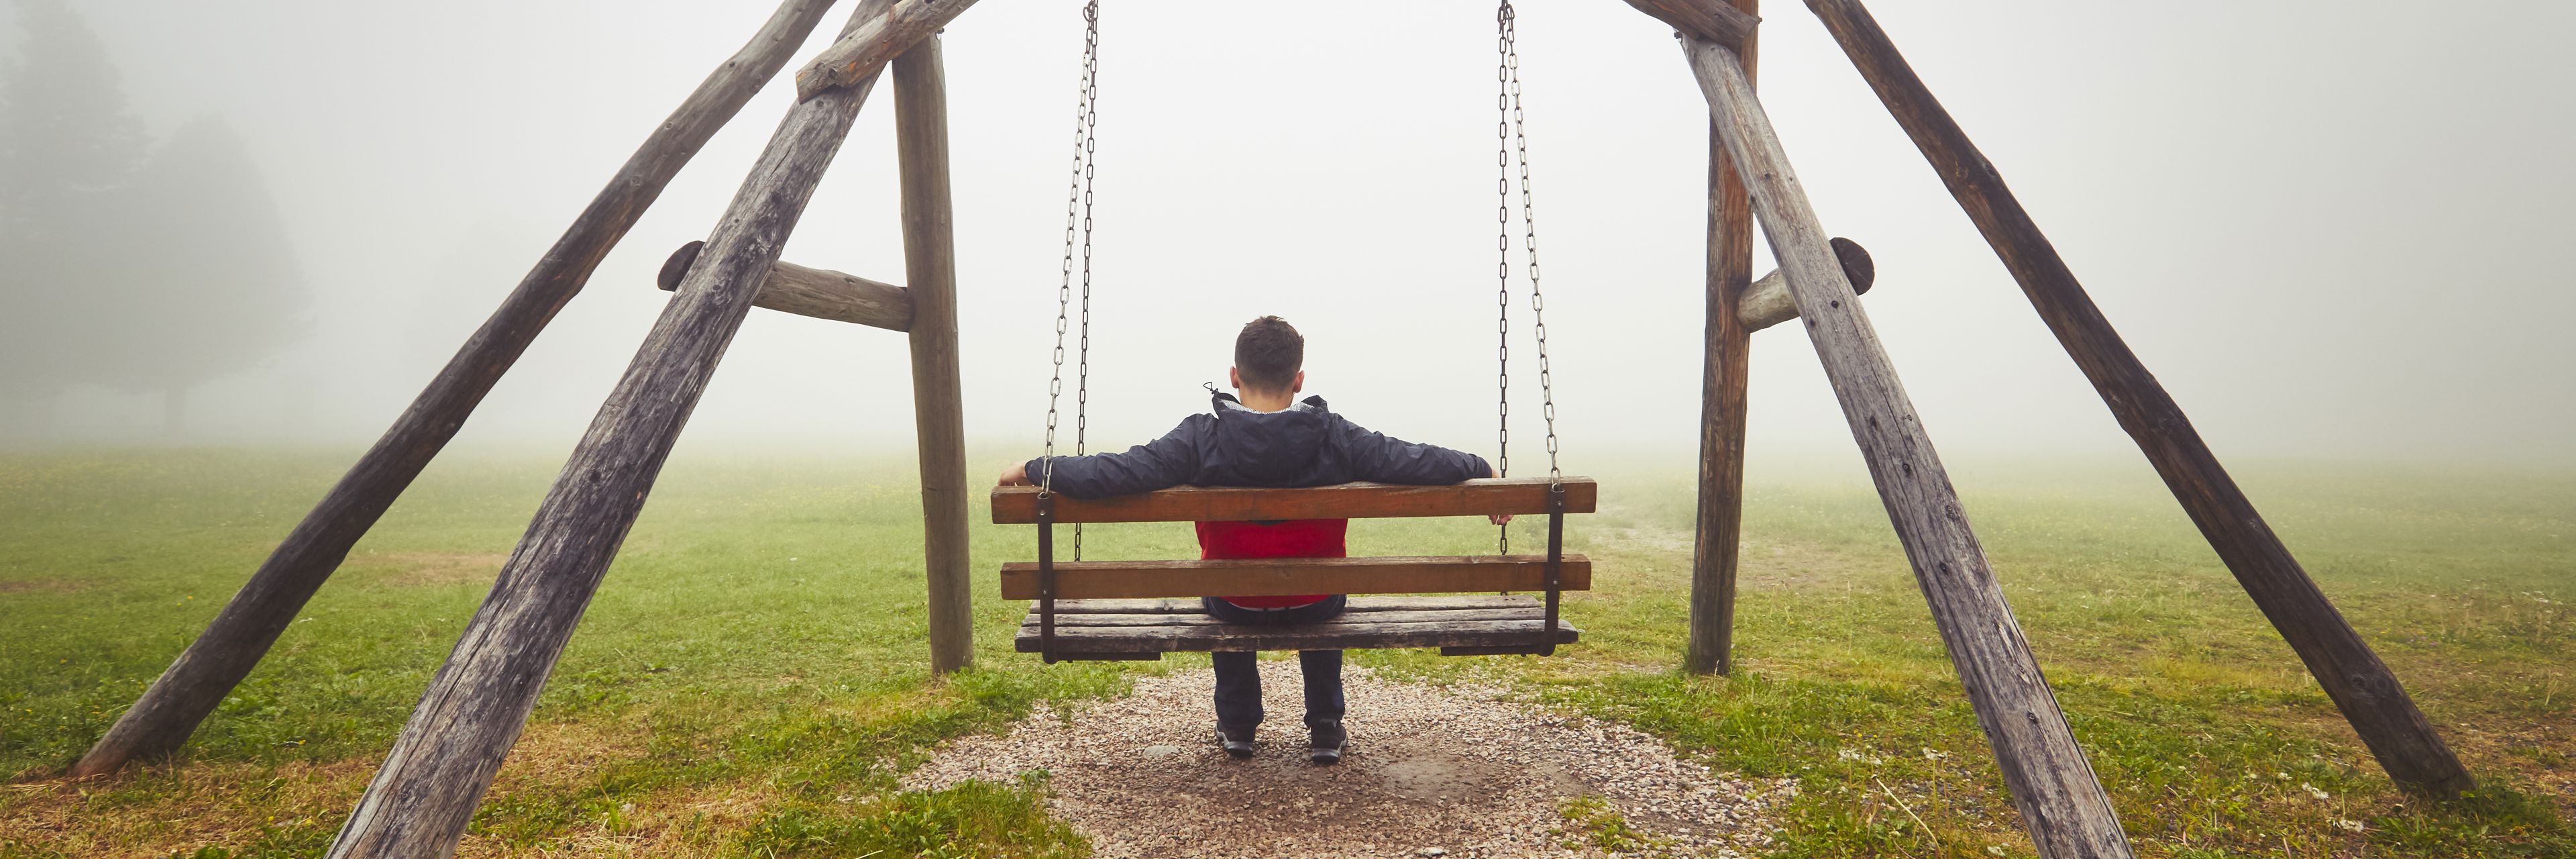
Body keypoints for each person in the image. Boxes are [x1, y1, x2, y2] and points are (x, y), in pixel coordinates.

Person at [998, 315, 1498, 764]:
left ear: (1235, 377)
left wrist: (1037, 469)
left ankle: (1238, 725)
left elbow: (1118, 471)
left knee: (1221, 583)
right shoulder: (1336, 436)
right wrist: (1481, 471)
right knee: (1325, 585)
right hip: (1316, 602)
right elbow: (1413, 460)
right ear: (1299, 380)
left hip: (1233, 602)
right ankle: (1325, 726)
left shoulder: (1201, 437)